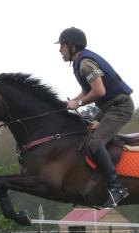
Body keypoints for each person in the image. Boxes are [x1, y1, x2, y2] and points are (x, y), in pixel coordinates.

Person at [57, 26, 134, 208]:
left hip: (119, 107)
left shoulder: (85, 63)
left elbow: (99, 91)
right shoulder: (80, 62)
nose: (60, 50)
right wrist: (72, 101)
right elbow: (87, 90)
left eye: (62, 46)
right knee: (85, 134)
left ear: (72, 46)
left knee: (95, 143)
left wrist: (78, 103)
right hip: (108, 107)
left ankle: (116, 188)